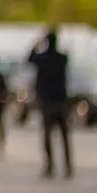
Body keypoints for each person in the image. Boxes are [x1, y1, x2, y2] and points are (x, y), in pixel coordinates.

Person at [29, 30, 73, 178]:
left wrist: (36, 44)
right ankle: (68, 166)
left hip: (47, 101)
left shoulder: (42, 58)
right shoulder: (62, 58)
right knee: (64, 136)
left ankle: (49, 166)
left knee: (48, 136)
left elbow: (29, 59)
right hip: (60, 100)